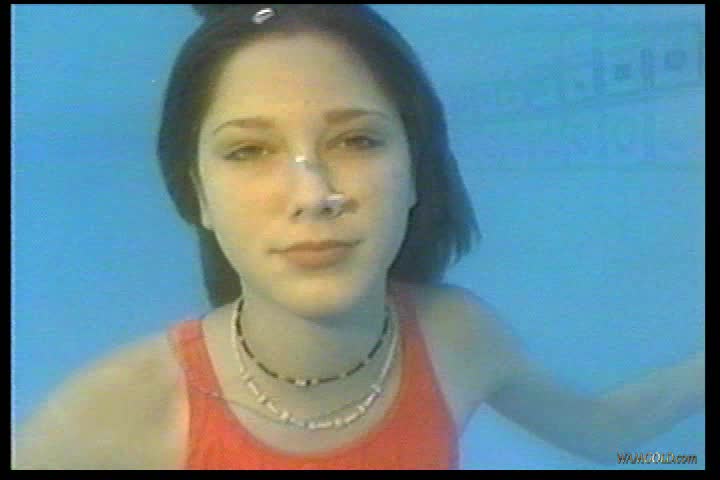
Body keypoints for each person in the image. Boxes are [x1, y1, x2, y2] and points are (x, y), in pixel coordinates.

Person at [14, 4, 705, 470]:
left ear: (416, 171)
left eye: (357, 140)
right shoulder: (112, 415)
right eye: (249, 150)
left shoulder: (456, 337)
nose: (313, 194)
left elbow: (612, 437)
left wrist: (677, 460)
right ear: (196, 193)